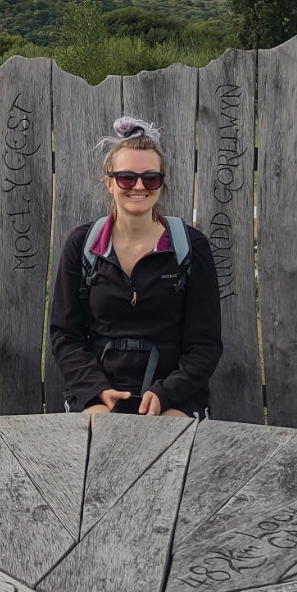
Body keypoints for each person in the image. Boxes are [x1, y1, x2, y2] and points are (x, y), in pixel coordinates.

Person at [48, 115, 222, 418]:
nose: (138, 186)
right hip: (100, 390)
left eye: (150, 178)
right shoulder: (83, 244)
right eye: (126, 177)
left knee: (169, 445)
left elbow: (204, 344)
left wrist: (166, 392)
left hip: (174, 395)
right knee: (97, 442)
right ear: (109, 182)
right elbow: (66, 336)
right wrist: (96, 390)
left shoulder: (189, 246)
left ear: (161, 183)